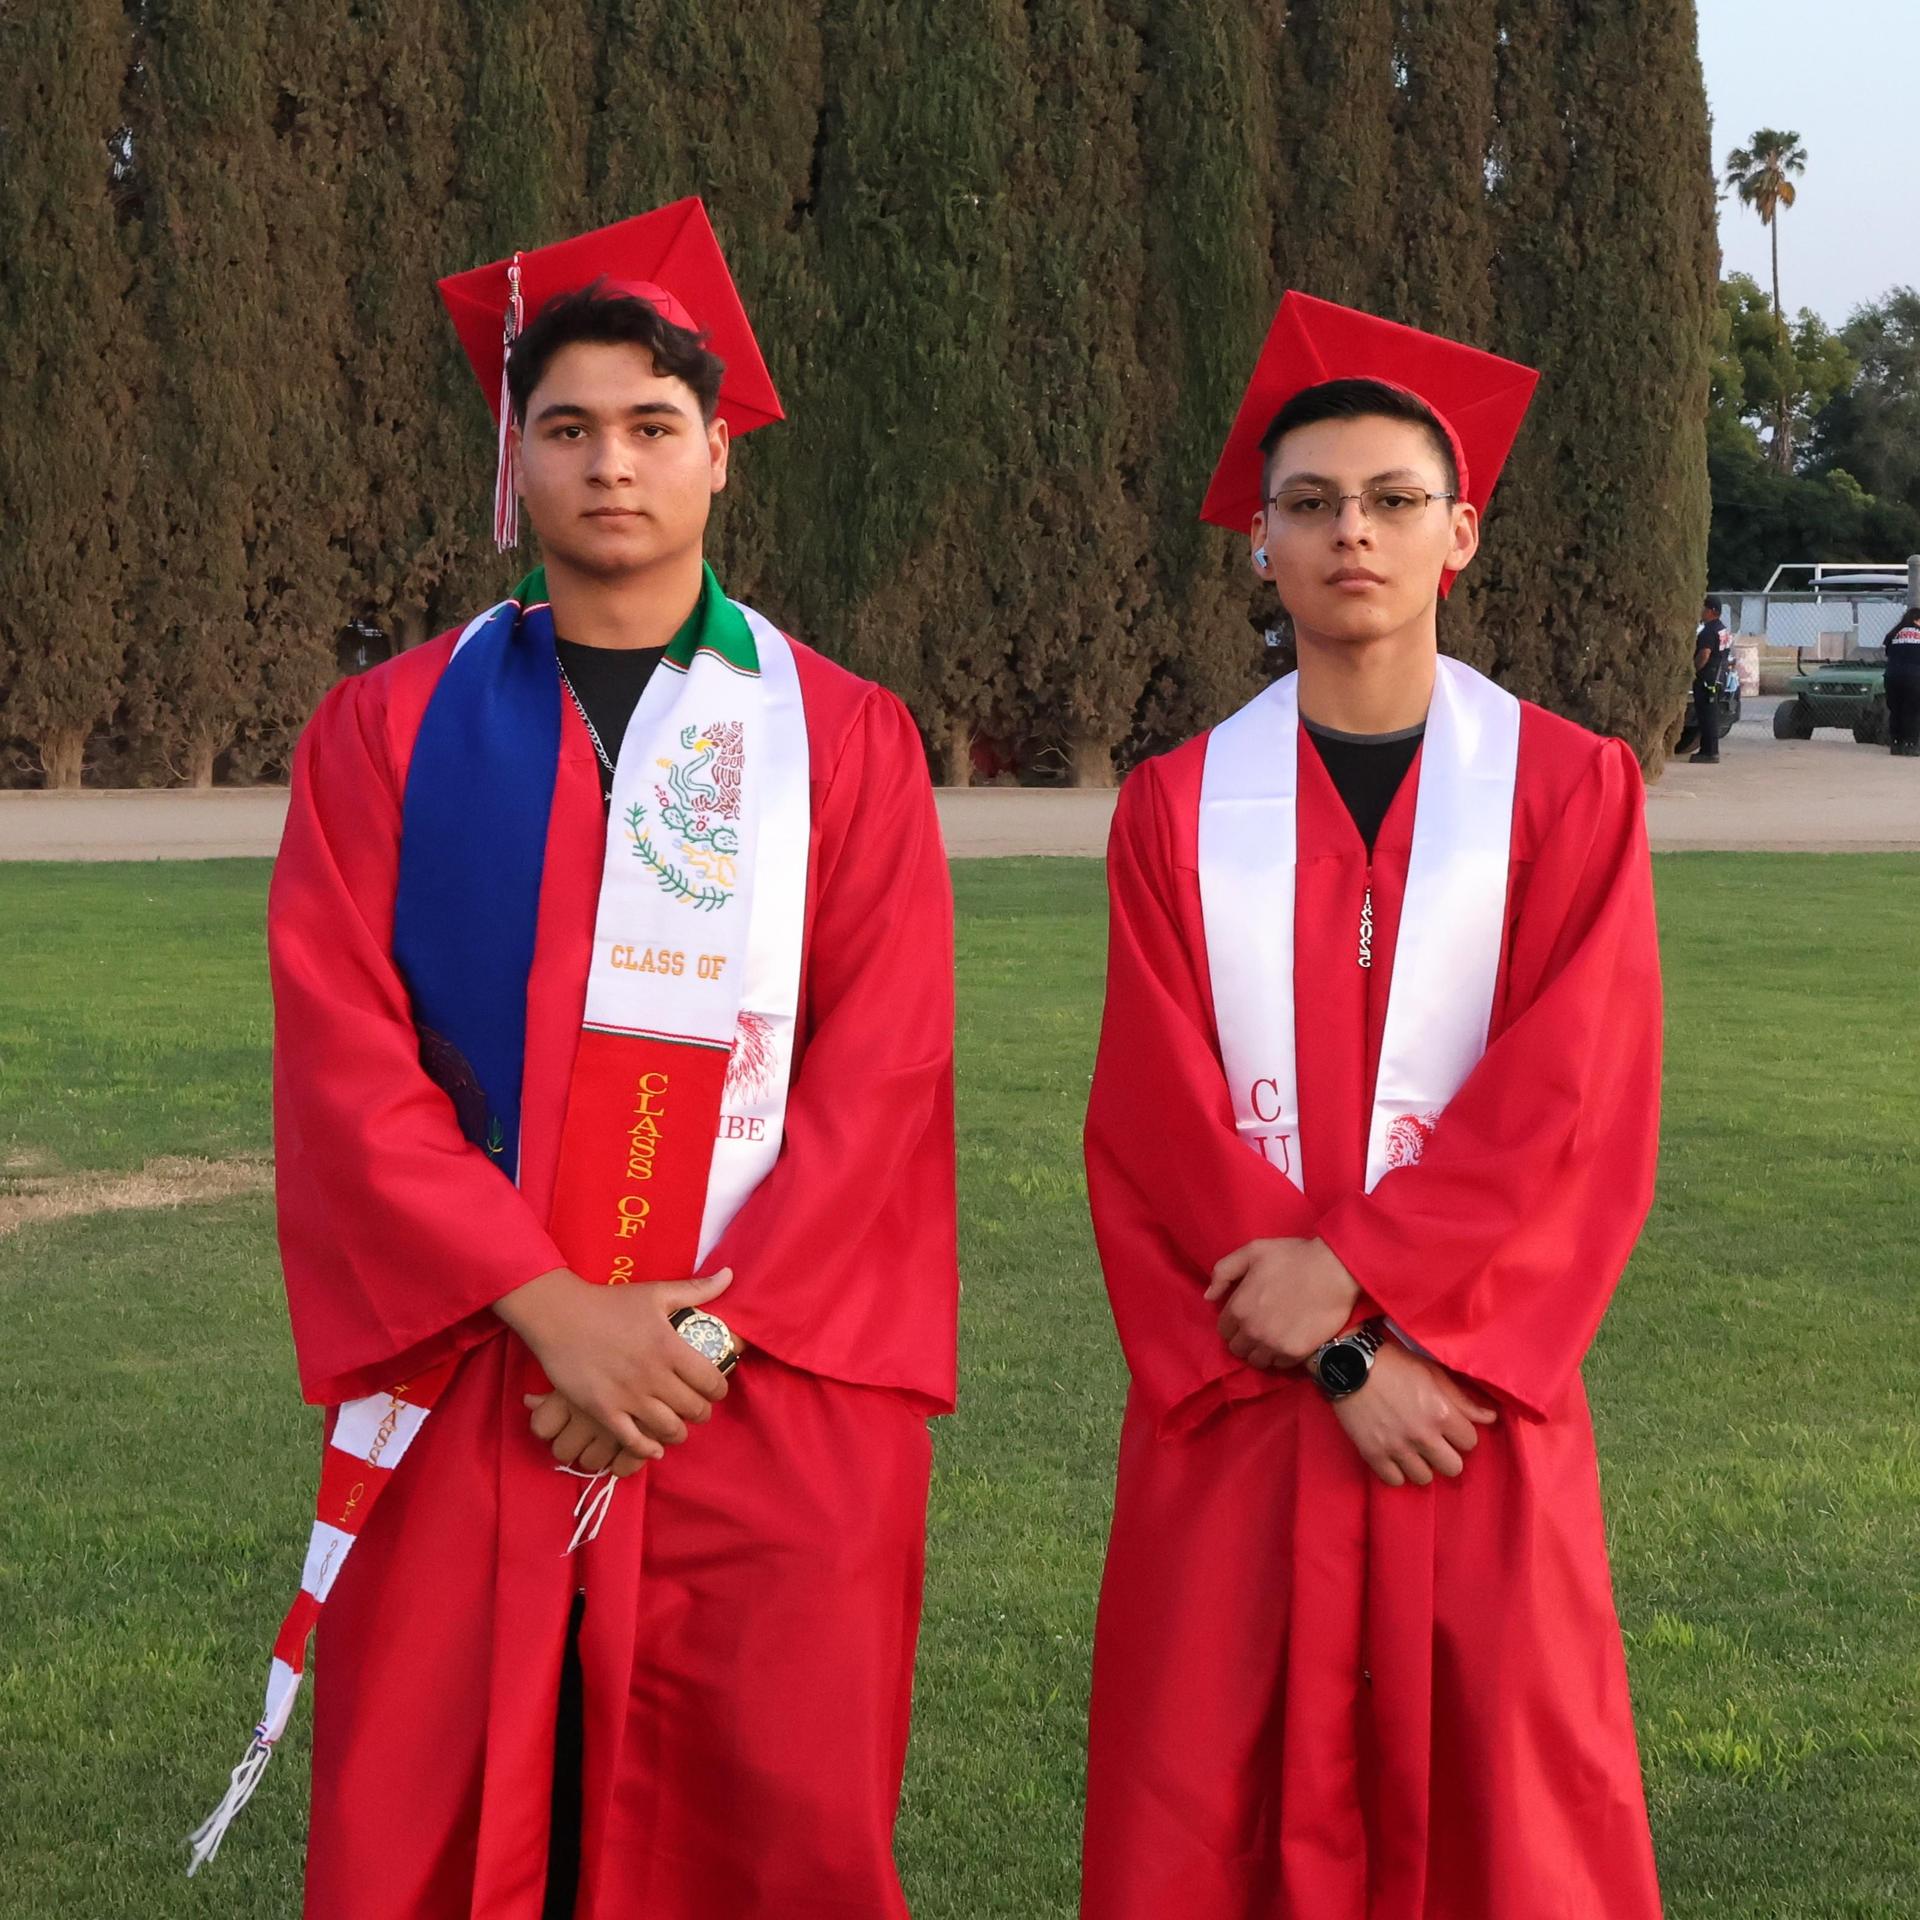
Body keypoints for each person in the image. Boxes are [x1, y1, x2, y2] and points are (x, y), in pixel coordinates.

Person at [190, 199, 958, 1920]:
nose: (613, 465)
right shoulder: (385, 730)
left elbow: (882, 1076)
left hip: (756, 1386)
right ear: (515, 463)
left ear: (720, 459)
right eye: (568, 429)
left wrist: (691, 1332)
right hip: (481, 1372)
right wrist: (551, 1303)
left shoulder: (843, 739)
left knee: (758, 1827)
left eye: (653, 428)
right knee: (457, 1816)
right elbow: (344, 1062)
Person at [1080, 292, 1665, 1920]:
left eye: (1395, 501)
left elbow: (1573, 1109)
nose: (1355, 534)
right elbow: (1153, 1127)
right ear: (1258, 543)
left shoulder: (1568, 791)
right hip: (1251, 1421)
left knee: (1509, 1816)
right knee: (1212, 1807)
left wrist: (1378, 1301)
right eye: (1312, 504)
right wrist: (1339, 1349)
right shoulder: (1174, 813)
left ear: (1459, 534)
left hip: (1469, 1409)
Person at [1690, 595, 1730, 763]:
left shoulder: (1708, 631)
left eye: (1703, 608)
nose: (1701, 612)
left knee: (1706, 715)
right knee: (1711, 714)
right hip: (1719, 676)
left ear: (1712, 611)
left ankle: (1709, 752)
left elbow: (1704, 654)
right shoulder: (1722, 629)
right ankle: (1708, 750)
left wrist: (1693, 670)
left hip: (1707, 678)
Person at [1882, 604, 1920, 757]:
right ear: (1917, 620)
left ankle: (1896, 743)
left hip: (1892, 676)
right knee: (1913, 711)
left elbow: (1888, 652)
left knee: (1896, 710)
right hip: (1914, 677)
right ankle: (1911, 744)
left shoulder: (1894, 633)